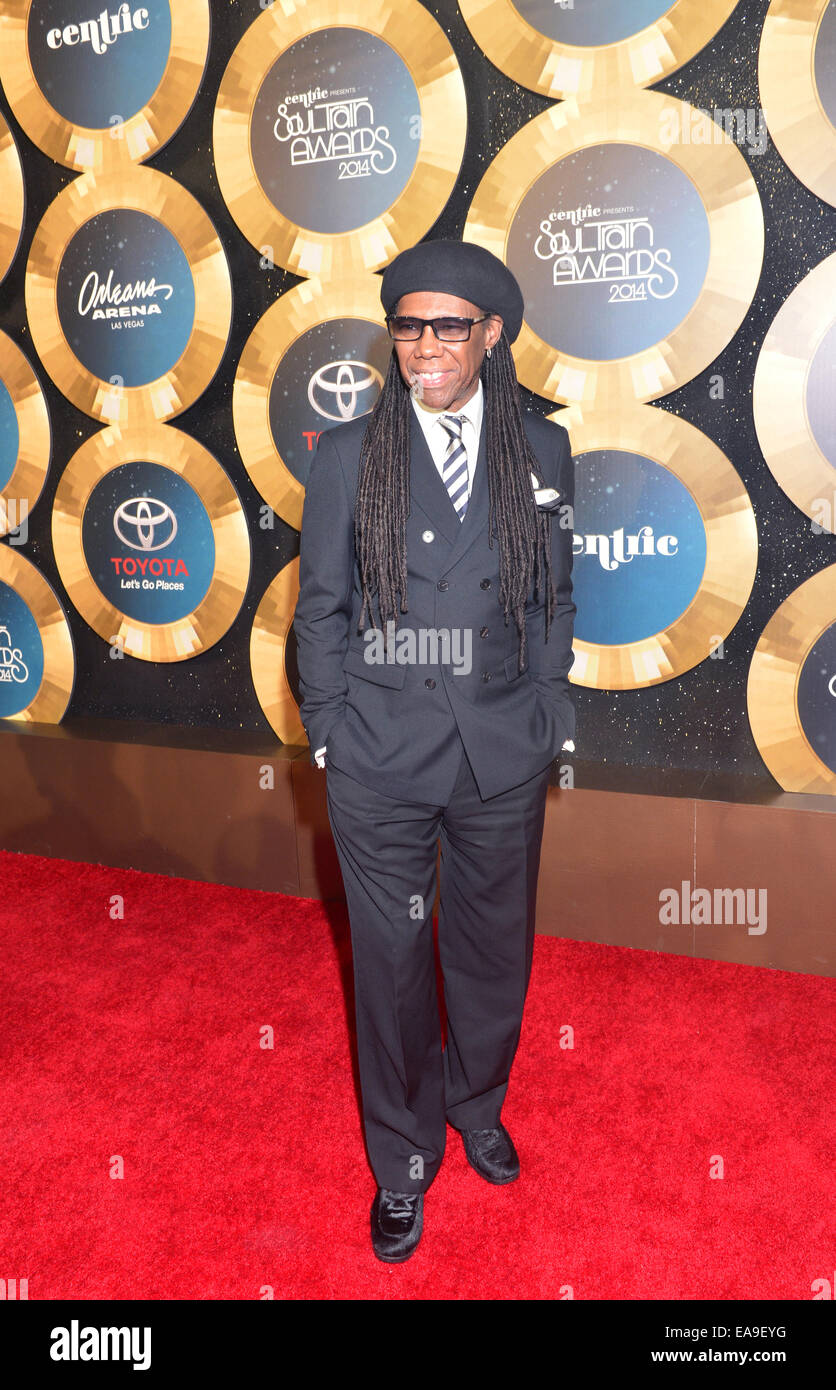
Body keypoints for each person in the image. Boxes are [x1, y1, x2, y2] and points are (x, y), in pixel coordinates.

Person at [293, 238, 576, 1262]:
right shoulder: (346, 454)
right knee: (394, 964)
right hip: (378, 752)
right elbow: (317, 607)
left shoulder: (537, 453)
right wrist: (327, 730)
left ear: (489, 335)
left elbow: (553, 596)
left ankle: (478, 1102)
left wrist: (550, 710)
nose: (424, 346)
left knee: (492, 952)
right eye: (408, 326)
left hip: (503, 744)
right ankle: (403, 1159)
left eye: (448, 326)